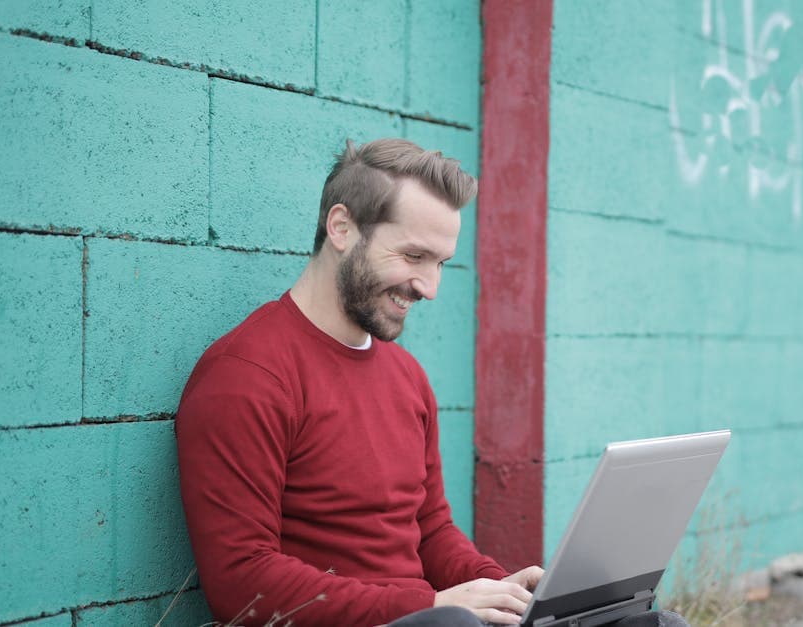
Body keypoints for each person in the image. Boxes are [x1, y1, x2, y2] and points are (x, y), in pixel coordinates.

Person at [175, 138, 686, 627]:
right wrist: (432, 604)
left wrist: (500, 590)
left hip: (431, 617)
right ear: (342, 228)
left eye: (440, 264)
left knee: (654, 623)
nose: (430, 288)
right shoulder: (247, 376)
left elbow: (431, 532)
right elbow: (240, 581)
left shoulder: (406, 377)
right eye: (414, 256)